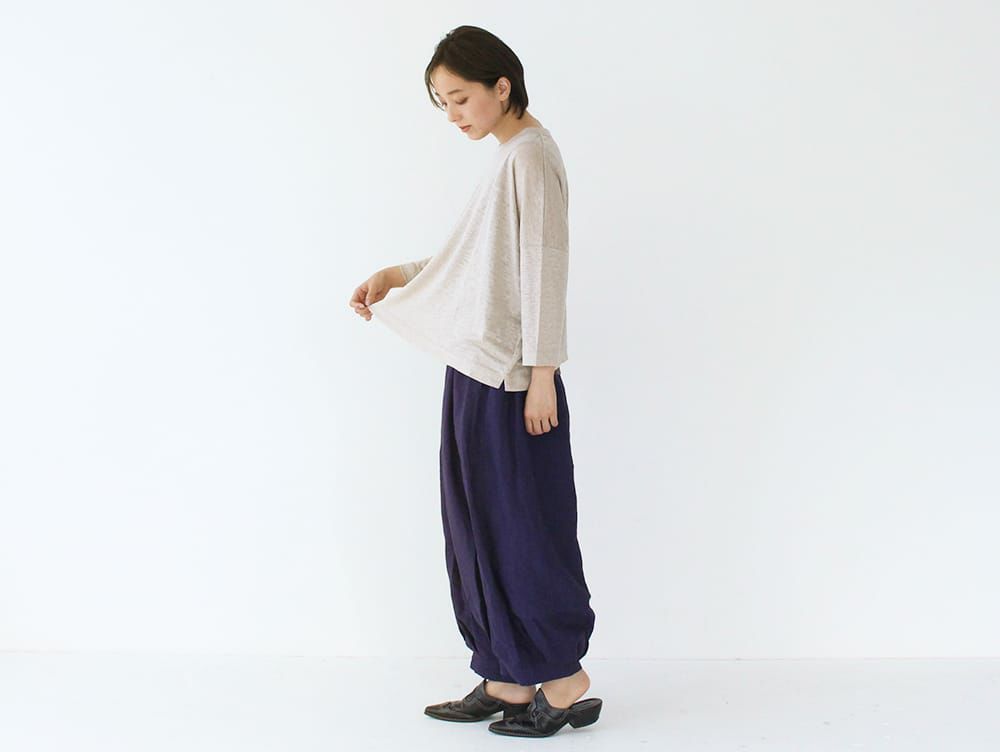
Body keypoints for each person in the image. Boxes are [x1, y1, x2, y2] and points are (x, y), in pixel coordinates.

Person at [348, 25, 601, 738]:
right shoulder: (508, 157)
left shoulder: (531, 156)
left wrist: (543, 374)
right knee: (477, 528)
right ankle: (506, 677)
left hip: (512, 380)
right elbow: (481, 259)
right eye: (443, 104)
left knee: (521, 528)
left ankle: (564, 680)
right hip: (480, 369)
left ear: (502, 85)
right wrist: (400, 274)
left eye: (461, 98)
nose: (454, 114)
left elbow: (543, 267)